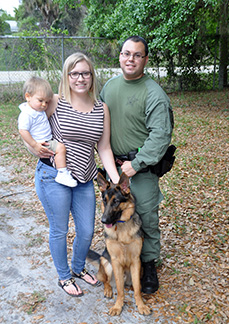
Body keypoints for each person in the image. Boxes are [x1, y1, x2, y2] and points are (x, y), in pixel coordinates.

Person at [28, 53, 119, 297]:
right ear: (67, 76)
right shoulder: (55, 102)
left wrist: (116, 179)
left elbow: (104, 147)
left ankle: (78, 269)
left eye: (85, 73)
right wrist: (34, 147)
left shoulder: (102, 109)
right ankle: (64, 276)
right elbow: (29, 124)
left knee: (87, 230)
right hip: (53, 176)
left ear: (92, 76)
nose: (80, 78)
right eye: (75, 73)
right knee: (59, 229)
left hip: (84, 179)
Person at [100, 35, 174, 294]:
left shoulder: (153, 93)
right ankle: (120, 256)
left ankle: (148, 263)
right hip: (113, 166)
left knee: (146, 217)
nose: (130, 59)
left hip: (140, 169)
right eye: (126, 53)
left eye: (137, 55)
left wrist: (137, 163)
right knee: (115, 215)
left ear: (145, 59)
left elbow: (161, 136)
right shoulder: (109, 87)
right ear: (120, 56)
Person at [18, 76, 77, 187]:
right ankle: (62, 173)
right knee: (61, 148)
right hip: (42, 142)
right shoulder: (27, 114)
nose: (44, 105)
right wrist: (35, 145)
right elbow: (23, 131)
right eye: (40, 101)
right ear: (28, 96)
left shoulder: (38, 110)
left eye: (46, 101)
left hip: (46, 139)